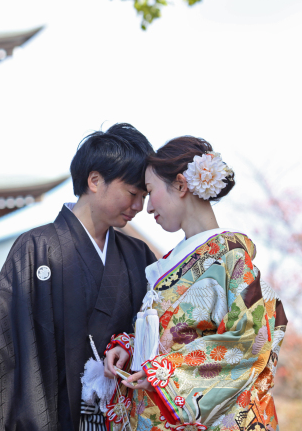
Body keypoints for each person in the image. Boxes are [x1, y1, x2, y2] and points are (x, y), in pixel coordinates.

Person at [0, 123, 157, 431]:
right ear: (95, 180)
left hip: (124, 418)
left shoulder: (139, 256)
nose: (139, 206)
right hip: (54, 418)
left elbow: (160, 333)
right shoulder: (35, 249)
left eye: (144, 195)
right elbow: (12, 346)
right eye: (133, 193)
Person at [104, 136, 287, 431]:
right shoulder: (170, 260)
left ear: (180, 185)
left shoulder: (231, 255)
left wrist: (167, 375)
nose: (147, 208)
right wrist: (132, 348)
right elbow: (169, 335)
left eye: (151, 192)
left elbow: (254, 340)